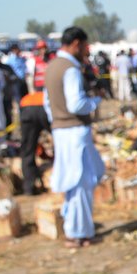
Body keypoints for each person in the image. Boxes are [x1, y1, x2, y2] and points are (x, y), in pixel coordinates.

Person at [43, 26, 104, 248]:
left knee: (76, 181)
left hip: (62, 130)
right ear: (77, 44)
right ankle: (79, 233)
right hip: (74, 131)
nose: (87, 51)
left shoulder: (52, 67)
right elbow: (76, 104)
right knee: (81, 181)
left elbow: (47, 103)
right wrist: (95, 101)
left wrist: (58, 120)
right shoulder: (70, 69)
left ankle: (77, 228)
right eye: (86, 46)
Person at [19, 91, 51, 195]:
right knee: (62, 143)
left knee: (27, 149)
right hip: (46, 104)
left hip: (27, 105)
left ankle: (29, 187)